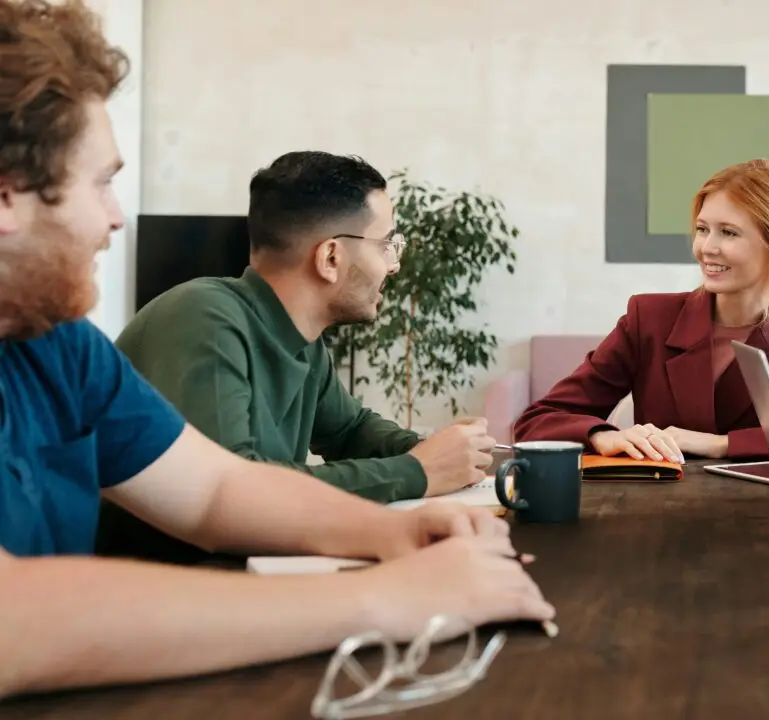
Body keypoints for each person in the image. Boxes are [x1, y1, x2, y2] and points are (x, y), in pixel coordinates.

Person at [0, 0, 551, 698]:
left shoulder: (59, 345)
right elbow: (13, 619)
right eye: (102, 182)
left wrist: (397, 536)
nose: (116, 217)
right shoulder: (200, 315)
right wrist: (393, 594)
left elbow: (217, 489)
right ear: (7, 197)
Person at [101, 151, 496, 563]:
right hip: (165, 582)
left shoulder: (300, 338)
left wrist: (439, 452)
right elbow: (237, 495)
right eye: (387, 246)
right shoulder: (202, 317)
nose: (393, 266)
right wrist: (419, 470)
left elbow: (350, 432)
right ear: (330, 258)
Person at [512, 159, 769, 464]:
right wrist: (603, 435)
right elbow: (538, 421)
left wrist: (723, 444)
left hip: (768, 519)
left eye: (729, 232)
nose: (706, 247)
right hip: (656, 514)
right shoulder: (649, 319)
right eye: (702, 229)